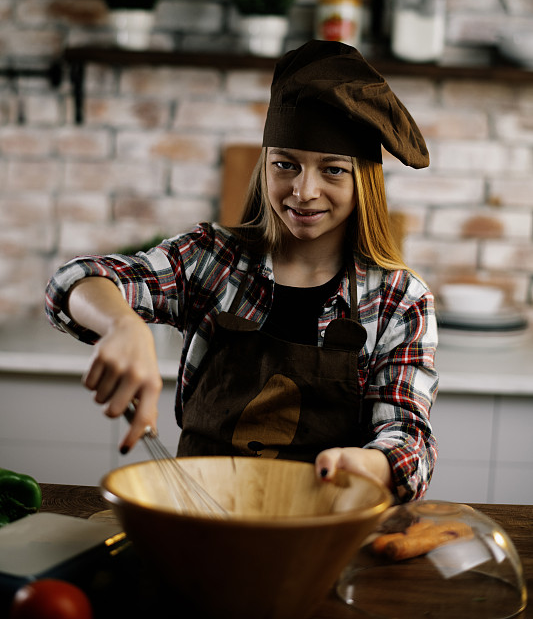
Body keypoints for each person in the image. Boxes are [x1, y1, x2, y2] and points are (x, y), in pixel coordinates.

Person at [45, 40, 438, 503]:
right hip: (199, 518)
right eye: (285, 165)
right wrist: (121, 325)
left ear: (364, 183)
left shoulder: (400, 299)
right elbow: (74, 280)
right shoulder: (212, 258)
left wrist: (371, 463)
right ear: (264, 166)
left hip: (320, 525)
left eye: (332, 170)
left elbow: (409, 437)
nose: (304, 190)